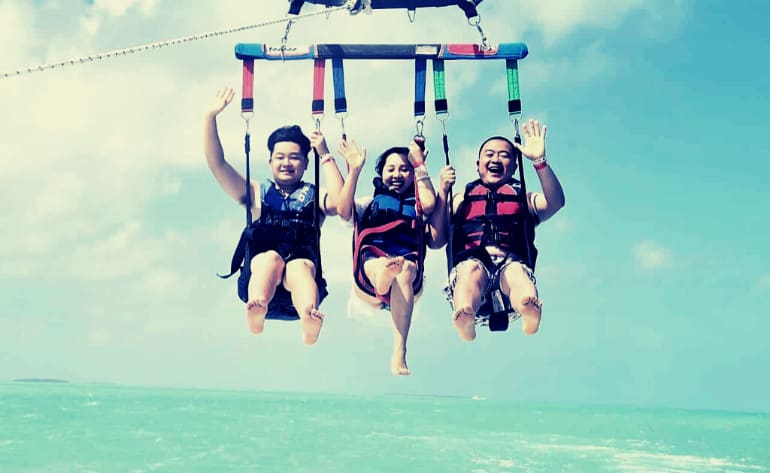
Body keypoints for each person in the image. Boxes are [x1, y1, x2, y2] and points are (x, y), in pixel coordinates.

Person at [204, 87, 344, 345]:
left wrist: (325, 154)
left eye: (294, 158)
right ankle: (256, 309)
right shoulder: (256, 194)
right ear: (270, 162)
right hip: (259, 283)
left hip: (301, 290)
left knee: (298, 267)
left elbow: (340, 204)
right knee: (270, 259)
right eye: (279, 157)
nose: (286, 163)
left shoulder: (317, 196)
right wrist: (210, 117)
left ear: (305, 163)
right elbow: (218, 165)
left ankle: (309, 319)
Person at [428, 119, 565, 341]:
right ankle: (465, 317)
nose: (496, 158)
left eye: (504, 155)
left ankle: (528, 309)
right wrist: (443, 190)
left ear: (514, 166)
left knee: (516, 274)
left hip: (510, 267)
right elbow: (435, 240)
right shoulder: (461, 199)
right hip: (472, 268)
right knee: (470, 270)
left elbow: (556, 202)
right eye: (489, 154)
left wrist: (539, 161)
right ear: (478, 164)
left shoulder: (524, 199)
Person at [337, 137, 435, 375]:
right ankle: (383, 277)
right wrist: (354, 170)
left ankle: (399, 352)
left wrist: (420, 165)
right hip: (368, 277)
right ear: (380, 174)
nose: (397, 174)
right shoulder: (367, 204)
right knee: (377, 264)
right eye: (390, 169)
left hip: (407, 277)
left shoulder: (419, 206)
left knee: (405, 269)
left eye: (404, 169)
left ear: (412, 176)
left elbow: (431, 204)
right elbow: (342, 211)